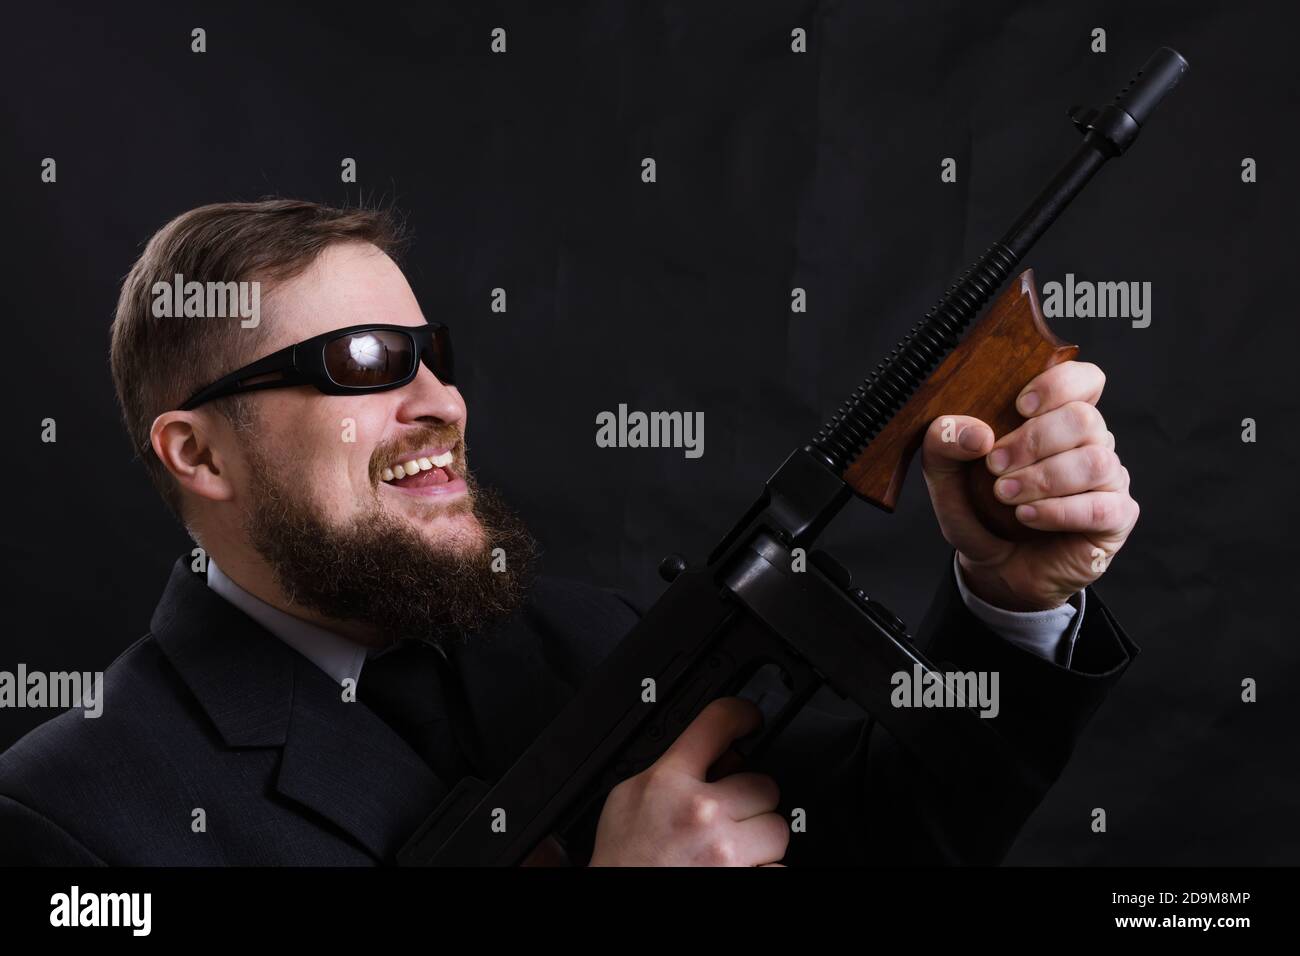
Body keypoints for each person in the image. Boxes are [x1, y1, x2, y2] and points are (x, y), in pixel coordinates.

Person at [0, 200, 1139, 866]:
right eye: (358, 364)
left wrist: (1011, 598)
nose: (439, 401)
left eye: (432, 353)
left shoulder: (582, 632)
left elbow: (900, 844)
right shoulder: (69, 813)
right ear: (197, 454)